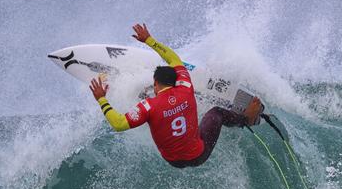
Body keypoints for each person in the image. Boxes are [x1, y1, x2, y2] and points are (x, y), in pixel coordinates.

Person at [89, 23, 262, 168]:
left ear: (155, 83)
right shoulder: (186, 87)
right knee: (216, 112)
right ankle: (245, 119)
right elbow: (173, 59)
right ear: (175, 82)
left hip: (172, 161)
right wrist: (149, 40)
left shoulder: (148, 106)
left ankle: (247, 119)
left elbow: (118, 124)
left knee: (153, 113)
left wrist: (101, 99)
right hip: (199, 156)